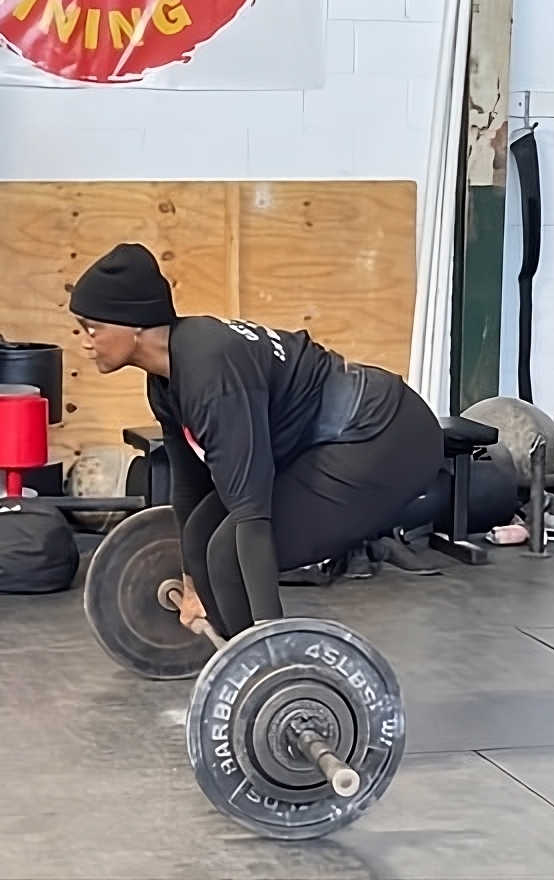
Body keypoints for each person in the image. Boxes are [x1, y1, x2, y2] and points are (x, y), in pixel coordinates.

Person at [70, 243, 446, 639]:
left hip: (384, 434)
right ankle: (242, 653)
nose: (85, 341)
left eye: (92, 327)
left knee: (228, 554)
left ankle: (259, 659)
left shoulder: (211, 374)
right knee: (200, 537)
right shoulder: (167, 379)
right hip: (322, 437)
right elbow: (189, 486)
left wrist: (269, 633)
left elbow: (251, 516)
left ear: (135, 326)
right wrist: (192, 584)